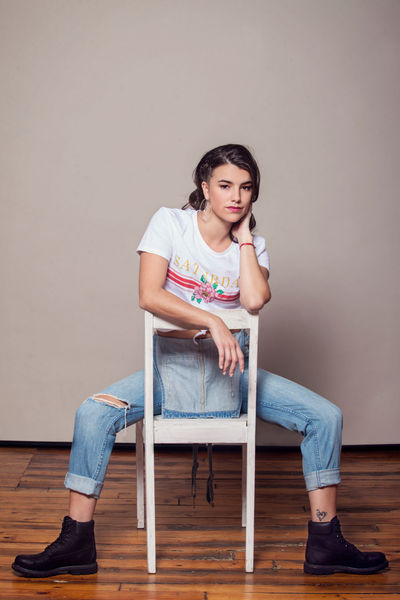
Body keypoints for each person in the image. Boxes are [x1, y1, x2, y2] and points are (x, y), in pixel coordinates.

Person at [12, 144, 388, 578]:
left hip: (233, 377)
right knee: (93, 414)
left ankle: (325, 543)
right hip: (168, 374)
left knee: (325, 417)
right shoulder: (170, 224)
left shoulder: (253, 248)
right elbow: (149, 295)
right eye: (225, 185)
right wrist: (213, 321)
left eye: (246, 187)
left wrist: (243, 241)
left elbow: (254, 300)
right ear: (204, 187)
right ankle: (76, 542)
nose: (236, 197)